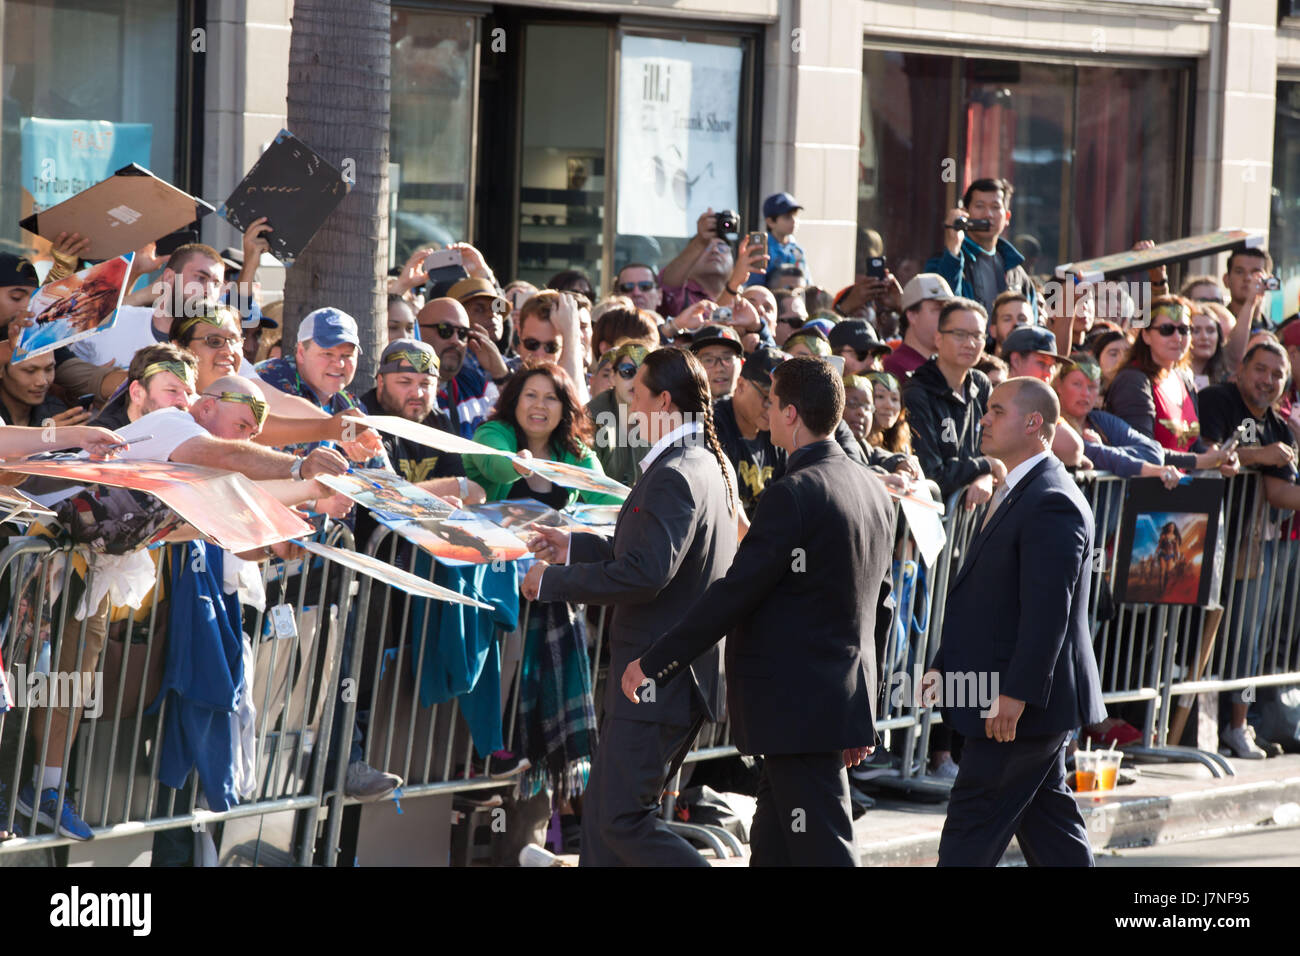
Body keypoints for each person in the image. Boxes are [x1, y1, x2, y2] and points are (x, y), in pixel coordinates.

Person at [623, 356, 895, 866]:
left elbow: (734, 594)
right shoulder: (872, 489)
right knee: (773, 845)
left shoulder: (792, 494)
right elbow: (882, 609)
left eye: (770, 404)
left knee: (823, 849)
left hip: (797, 710)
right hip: (820, 709)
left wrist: (656, 661)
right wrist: (862, 713)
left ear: (790, 414)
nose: (764, 414)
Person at [517, 348, 740, 866]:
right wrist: (571, 545)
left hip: (657, 677)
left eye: (636, 394)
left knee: (618, 820)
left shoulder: (678, 471)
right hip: (660, 675)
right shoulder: (694, 464)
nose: (629, 406)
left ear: (664, 401)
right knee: (602, 818)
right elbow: (644, 555)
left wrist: (553, 581)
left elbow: (646, 573)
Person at [927, 377, 1106, 866]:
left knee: (970, 829)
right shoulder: (1019, 488)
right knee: (1051, 831)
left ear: (1033, 423)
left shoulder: (1051, 497)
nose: (983, 418)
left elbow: (1048, 611)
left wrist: (1016, 693)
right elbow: (986, 599)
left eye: (996, 410)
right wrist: (945, 665)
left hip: (1018, 707)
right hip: (1012, 700)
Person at [1198, 341, 1300, 759]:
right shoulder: (1217, 399)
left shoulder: (1276, 423)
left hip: (1246, 547)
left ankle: (1238, 726)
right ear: (1240, 369)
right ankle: (1176, 727)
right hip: (1198, 539)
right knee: (1190, 640)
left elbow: (1278, 492)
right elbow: (1209, 457)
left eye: (1278, 375)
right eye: (1261, 370)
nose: (1268, 381)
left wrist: (1266, 459)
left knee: (1247, 641)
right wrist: (1261, 455)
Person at [902, 298, 1001, 506]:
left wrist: (985, 473)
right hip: (936, 519)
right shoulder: (917, 392)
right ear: (938, 338)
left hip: (971, 521)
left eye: (977, 335)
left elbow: (998, 447)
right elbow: (932, 474)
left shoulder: (981, 383)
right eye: (959, 334)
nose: (970, 343)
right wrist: (986, 465)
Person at [927, 177, 1038, 320]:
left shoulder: (1017, 274)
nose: (988, 214)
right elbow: (941, 311)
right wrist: (953, 250)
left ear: (1007, 217)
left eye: (995, 207)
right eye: (979, 206)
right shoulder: (943, 261)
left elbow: (1031, 327)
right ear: (965, 212)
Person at [713, 348, 788, 518]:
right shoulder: (712, 426)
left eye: (781, 403)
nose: (773, 410)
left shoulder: (779, 432)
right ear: (740, 385)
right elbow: (719, 500)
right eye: (767, 399)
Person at [418, 297, 502, 438]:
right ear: (417, 331)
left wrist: (500, 373)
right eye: (445, 330)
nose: (456, 341)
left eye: (463, 333)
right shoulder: (405, 391)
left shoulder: (474, 383)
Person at [658, 209, 765, 319]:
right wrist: (700, 241)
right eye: (706, 247)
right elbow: (713, 328)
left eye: (722, 247)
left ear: (734, 263)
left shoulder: (746, 299)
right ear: (689, 261)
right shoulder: (679, 296)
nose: (715, 251)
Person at [587, 342, 651, 489]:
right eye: (627, 371)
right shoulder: (589, 420)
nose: (636, 381)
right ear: (613, 377)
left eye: (644, 374)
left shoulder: (660, 419)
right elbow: (588, 487)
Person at [882, 273, 954, 379]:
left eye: (949, 309)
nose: (947, 316)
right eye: (938, 309)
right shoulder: (894, 367)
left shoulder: (952, 365)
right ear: (912, 316)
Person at [0, 350, 85, 430]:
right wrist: (40, 439)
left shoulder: (55, 410)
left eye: (49, 369)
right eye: (30, 371)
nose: (42, 382)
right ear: (1, 369)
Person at [747, 192, 810, 286]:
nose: (794, 221)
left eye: (795, 216)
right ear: (770, 222)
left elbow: (806, 282)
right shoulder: (761, 249)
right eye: (787, 217)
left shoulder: (797, 250)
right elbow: (755, 285)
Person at [688, 322, 744, 400]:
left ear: (742, 363)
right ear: (693, 368)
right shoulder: (683, 411)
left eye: (727, 358)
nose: (719, 369)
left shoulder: (761, 409)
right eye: (709, 360)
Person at [1190, 304, 1232, 391]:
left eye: (1210, 331)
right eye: (1196, 331)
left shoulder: (1227, 381)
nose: (1204, 337)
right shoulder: (1172, 377)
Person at [988, 290, 1033, 355]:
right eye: (1007, 319)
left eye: (1022, 319)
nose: (1016, 324)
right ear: (993, 330)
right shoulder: (977, 364)